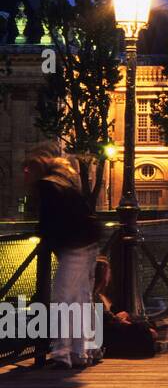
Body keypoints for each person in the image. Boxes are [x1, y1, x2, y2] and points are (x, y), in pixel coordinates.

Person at [24, 145, 101, 370]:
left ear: (35, 169)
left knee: (62, 299)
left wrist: (42, 236)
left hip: (74, 244)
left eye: (26, 170)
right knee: (81, 299)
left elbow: (49, 219)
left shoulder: (47, 185)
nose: (24, 175)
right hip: (88, 241)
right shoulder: (65, 181)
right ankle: (83, 351)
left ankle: (62, 353)